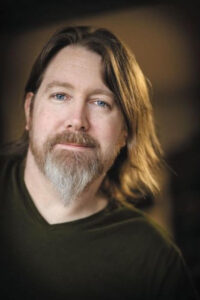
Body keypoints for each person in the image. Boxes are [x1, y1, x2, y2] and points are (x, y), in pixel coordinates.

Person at [0, 26, 198, 300]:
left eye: (100, 103)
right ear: (29, 111)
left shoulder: (155, 260)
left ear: (125, 131)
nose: (78, 119)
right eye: (60, 96)